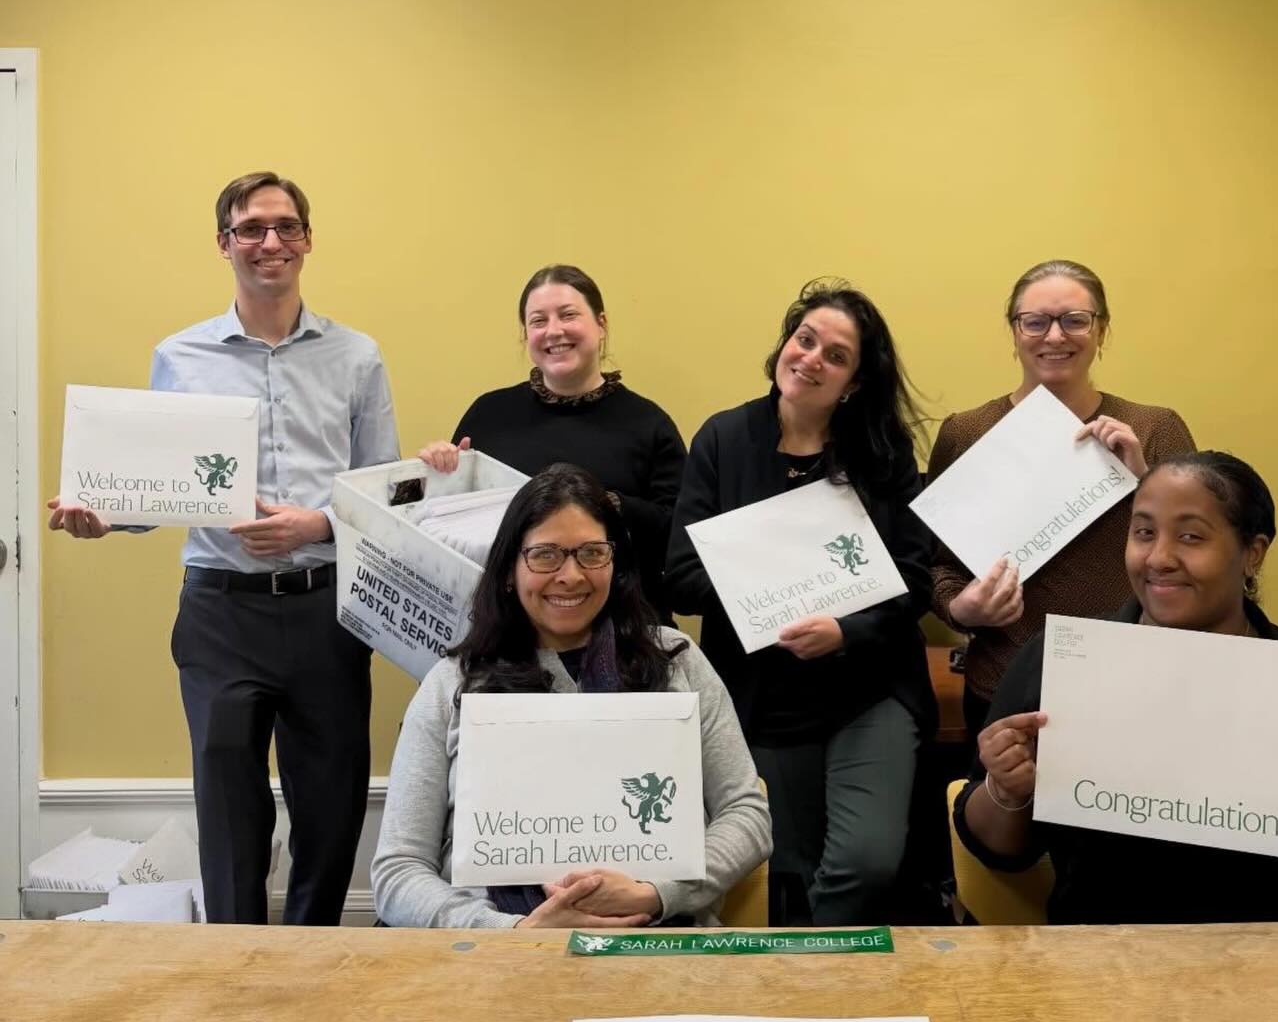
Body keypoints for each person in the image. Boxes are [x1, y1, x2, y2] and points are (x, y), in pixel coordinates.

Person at [47, 171, 399, 925]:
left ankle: (314, 964)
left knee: (331, 807)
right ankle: (233, 969)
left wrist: (317, 527)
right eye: (251, 228)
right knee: (231, 812)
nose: (270, 242)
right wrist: (107, 515)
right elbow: (159, 485)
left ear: (307, 239)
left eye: (286, 226)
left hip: (325, 614)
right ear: (224, 243)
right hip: (219, 615)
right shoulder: (178, 356)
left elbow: (381, 498)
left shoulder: (358, 357)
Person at [956, 452, 1278, 922]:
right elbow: (997, 850)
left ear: (1253, 552)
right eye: (1143, 533)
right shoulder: (1060, 666)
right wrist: (1006, 790)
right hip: (1102, 971)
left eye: (1190, 537)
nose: (1160, 558)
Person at [373, 463, 771, 928]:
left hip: (660, 939)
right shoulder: (453, 682)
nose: (570, 575)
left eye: (591, 553)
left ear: (615, 563)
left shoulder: (676, 661)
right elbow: (398, 872)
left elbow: (747, 814)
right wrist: (515, 931)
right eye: (545, 555)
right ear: (508, 570)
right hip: (498, 954)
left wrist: (656, 894)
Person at [667, 279, 937, 926]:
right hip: (759, 694)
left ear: (853, 383)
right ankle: (802, 977)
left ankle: (815, 968)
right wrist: (770, 597)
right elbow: (679, 575)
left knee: (866, 863)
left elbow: (914, 577)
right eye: (805, 339)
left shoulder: (883, 452)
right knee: (785, 865)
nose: (811, 358)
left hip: (867, 686)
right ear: (785, 345)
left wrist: (845, 629)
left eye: (835, 355)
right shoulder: (722, 440)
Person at [929, 259, 1195, 735]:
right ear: (1014, 331)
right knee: (1003, 806)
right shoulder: (966, 434)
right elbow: (936, 562)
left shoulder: (1154, 430)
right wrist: (960, 609)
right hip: (1005, 683)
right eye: (1035, 322)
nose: (1055, 337)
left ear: (1101, 329)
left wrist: (1144, 481)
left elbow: (1196, 552)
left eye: (1075, 320)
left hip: (1130, 682)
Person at [417, 265, 685, 621]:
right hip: (510, 632)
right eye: (538, 321)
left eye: (568, 315)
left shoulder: (649, 424)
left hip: (624, 629)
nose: (554, 331)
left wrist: (607, 505)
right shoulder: (489, 414)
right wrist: (441, 469)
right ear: (525, 333)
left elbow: (678, 536)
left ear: (601, 323)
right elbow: (448, 527)